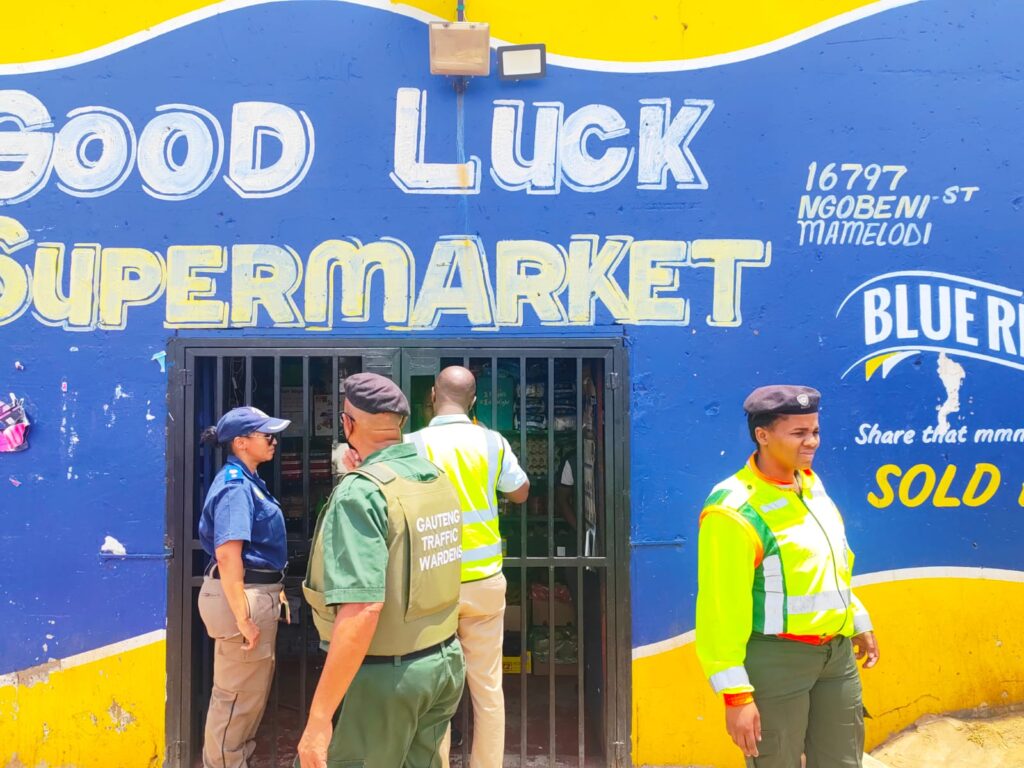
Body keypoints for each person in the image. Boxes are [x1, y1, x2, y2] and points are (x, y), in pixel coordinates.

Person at [696, 385, 880, 767]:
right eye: (798, 433)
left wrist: (856, 620)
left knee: (843, 761)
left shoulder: (811, 485)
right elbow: (720, 609)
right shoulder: (734, 509)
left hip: (837, 656)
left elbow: (828, 565)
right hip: (777, 661)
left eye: (814, 431)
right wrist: (736, 695)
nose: (811, 442)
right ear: (762, 436)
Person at [297, 373, 466, 768]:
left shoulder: (362, 492)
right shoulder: (433, 477)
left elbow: (362, 608)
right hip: (442, 664)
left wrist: (319, 719)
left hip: (384, 679)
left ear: (348, 424)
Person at [406, 365, 530, 768]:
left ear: (432, 396)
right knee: (488, 688)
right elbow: (521, 491)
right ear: (474, 401)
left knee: (435, 686)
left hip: (432, 584)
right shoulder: (492, 442)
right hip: (484, 583)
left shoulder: (412, 444)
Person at [197, 406, 291, 768]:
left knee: (248, 696)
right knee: (235, 698)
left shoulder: (248, 480)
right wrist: (243, 617)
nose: (273, 440)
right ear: (240, 443)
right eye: (266, 434)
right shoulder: (236, 487)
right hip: (241, 596)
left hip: (252, 592)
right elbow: (228, 555)